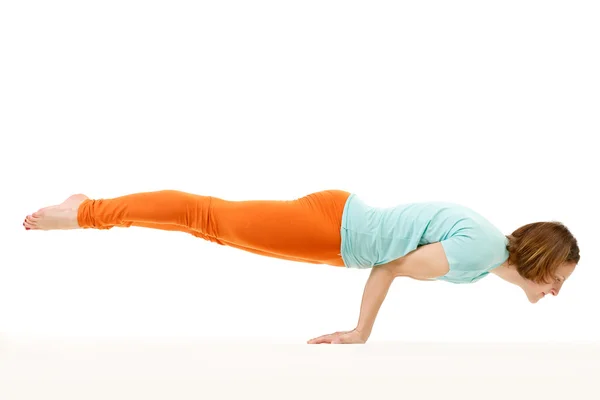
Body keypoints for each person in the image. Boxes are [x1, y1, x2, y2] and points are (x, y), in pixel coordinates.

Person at [22, 189, 580, 344]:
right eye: (557, 278)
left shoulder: (482, 263)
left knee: (210, 226)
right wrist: (362, 332)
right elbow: (389, 265)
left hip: (334, 231)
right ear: (540, 256)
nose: (555, 290)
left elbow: (390, 264)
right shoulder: (480, 253)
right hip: (331, 231)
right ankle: (86, 212)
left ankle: (88, 208)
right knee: (205, 214)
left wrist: (362, 332)